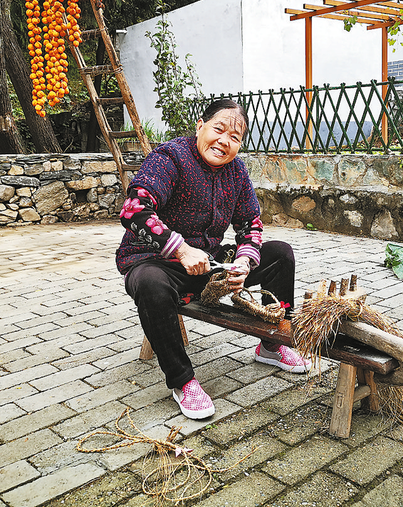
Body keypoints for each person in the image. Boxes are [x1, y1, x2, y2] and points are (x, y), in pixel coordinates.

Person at [116, 98, 310, 420]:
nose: (224, 141)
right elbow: (133, 210)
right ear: (200, 127)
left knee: (280, 254)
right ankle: (183, 381)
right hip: (156, 261)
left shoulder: (236, 172)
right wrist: (180, 249)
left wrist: (244, 261)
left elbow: (250, 224)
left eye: (234, 137)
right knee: (150, 283)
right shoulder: (170, 158)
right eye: (218, 129)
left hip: (208, 263)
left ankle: (271, 346)